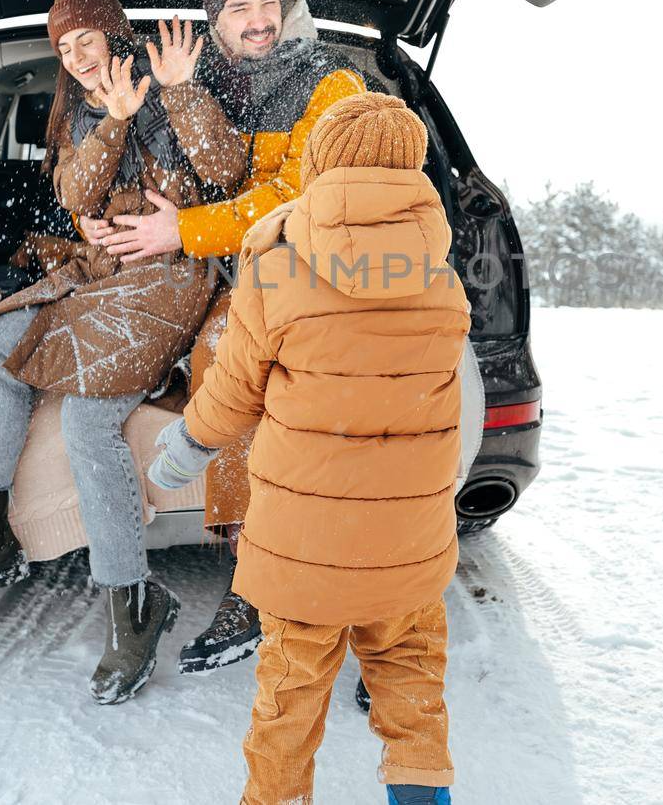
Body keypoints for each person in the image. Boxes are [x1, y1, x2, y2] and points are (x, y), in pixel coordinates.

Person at [0, 0, 247, 705]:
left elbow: (226, 171)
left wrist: (174, 94)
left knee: (91, 418)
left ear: (112, 30)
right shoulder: (81, 111)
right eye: (66, 49)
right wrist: (112, 123)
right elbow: (73, 196)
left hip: (172, 276)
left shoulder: (173, 83)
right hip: (97, 272)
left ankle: (132, 601)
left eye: (87, 39)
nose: (79, 58)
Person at [148, 92, 470, 805]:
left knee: (287, 708)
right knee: (413, 698)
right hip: (408, 550)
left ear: (320, 162)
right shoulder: (445, 285)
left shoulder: (275, 269)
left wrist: (184, 447)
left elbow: (234, 390)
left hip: (303, 555)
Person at [77, 0, 369, 674]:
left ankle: (371, 613)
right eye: (240, 8)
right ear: (217, 20)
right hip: (242, 279)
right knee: (219, 363)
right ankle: (252, 575)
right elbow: (187, 169)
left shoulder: (332, 80)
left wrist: (186, 229)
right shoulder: (212, 79)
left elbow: (292, 195)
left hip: (322, 271)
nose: (260, 19)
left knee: (315, 397)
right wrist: (115, 217)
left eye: (269, 2)